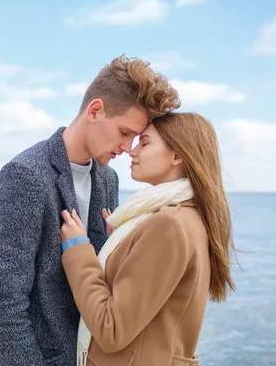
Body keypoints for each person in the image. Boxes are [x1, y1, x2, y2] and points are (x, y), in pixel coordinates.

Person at [0, 55, 180, 366]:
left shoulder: (107, 179)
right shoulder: (25, 176)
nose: (129, 148)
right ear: (95, 110)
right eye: (125, 133)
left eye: (136, 138)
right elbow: (2, 309)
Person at [59, 112, 236, 366]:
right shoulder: (186, 216)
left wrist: (78, 250)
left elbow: (112, 330)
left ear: (177, 156)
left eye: (145, 143)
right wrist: (124, 243)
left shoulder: (169, 225)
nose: (132, 151)